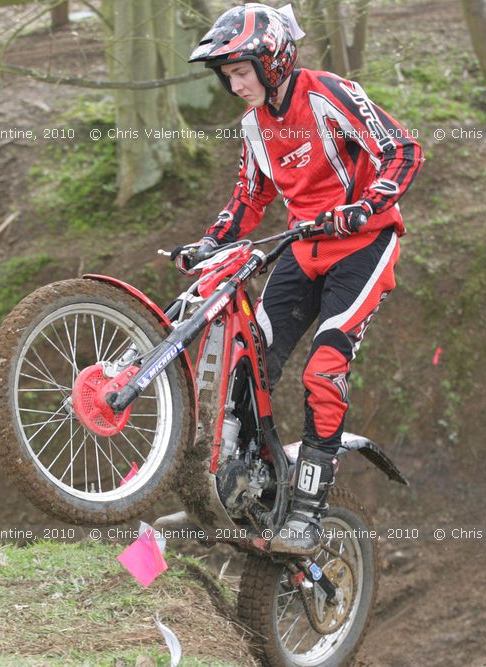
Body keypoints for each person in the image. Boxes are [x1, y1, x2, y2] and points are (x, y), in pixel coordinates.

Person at [179, 3, 424, 555]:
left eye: (241, 72)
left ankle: (310, 512)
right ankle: (244, 474)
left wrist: (366, 205)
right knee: (251, 357)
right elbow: (250, 197)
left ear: (273, 61)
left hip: (363, 246)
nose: (235, 85)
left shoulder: (328, 92)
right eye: (228, 77)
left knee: (325, 368)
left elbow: (403, 150)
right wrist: (209, 243)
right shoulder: (254, 126)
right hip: (302, 248)